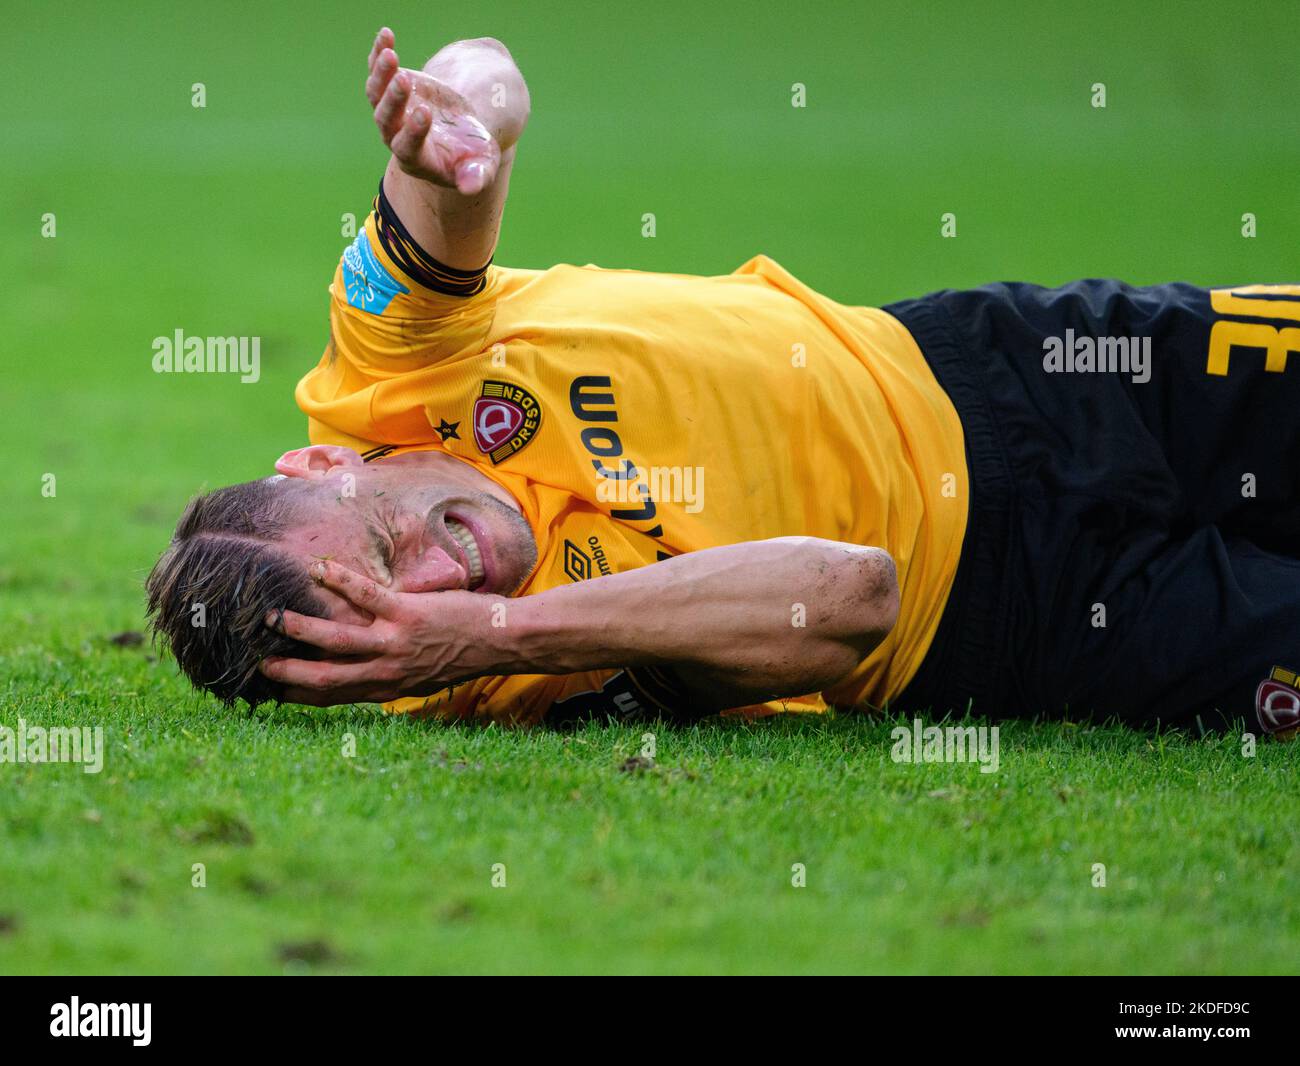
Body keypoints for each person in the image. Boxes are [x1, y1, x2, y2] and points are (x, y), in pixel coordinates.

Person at [147, 29, 1300, 738]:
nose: (447, 580)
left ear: (326, 462)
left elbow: (483, 74)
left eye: (395, 559)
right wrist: (493, 636)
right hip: (1025, 619)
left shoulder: (388, 361)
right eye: (401, 614)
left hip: (1010, 371)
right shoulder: (473, 671)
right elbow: (852, 594)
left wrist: (463, 119)